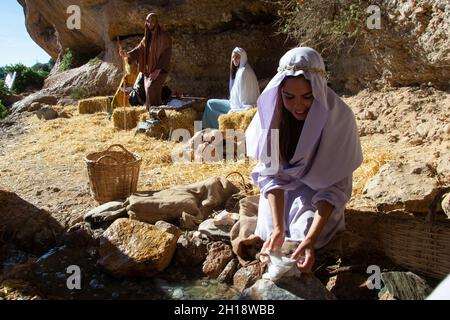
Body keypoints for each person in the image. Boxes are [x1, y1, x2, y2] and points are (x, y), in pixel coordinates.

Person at [245, 47, 363, 273]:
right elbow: (272, 177)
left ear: (318, 91)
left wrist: (311, 239)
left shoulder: (340, 119)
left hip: (318, 195)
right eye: (289, 97)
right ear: (280, 93)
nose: (298, 106)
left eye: (307, 97)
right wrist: (278, 227)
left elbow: (335, 188)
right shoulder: (274, 117)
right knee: (273, 235)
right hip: (282, 191)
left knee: (302, 236)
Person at [119, 13, 172, 111]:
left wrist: (157, 70)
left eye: (152, 21)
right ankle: (152, 114)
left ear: (156, 22)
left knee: (152, 88)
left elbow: (166, 54)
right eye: (148, 21)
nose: (150, 23)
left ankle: (156, 115)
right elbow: (139, 49)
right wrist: (127, 54)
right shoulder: (147, 37)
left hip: (159, 70)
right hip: (148, 71)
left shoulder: (164, 36)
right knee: (148, 91)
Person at [202, 47, 260, 129]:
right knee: (210, 104)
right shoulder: (242, 70)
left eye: (237, 57)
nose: (234, 59)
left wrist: (236, 111)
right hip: (236, 103)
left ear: (243, 57)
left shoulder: (244, 72)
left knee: (210, 104)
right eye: (233, 57)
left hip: (242, 107)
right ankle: (212, 128)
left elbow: (246, 100)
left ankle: (212, 129)